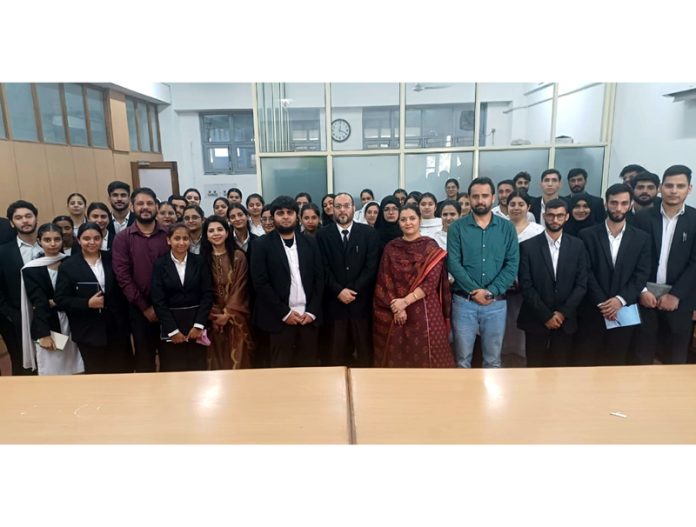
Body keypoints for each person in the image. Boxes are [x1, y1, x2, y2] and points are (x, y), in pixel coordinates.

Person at [574, 184, 651, 366]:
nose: (618, 208)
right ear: (606, 204)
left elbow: (641, 274)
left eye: (624, 203)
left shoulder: (642, 238)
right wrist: (603, 302)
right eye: (614, 203)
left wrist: (620, 300)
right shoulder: (586, 235)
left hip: (624, 311)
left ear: (631, 205)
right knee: (585, 362)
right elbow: (585, 271)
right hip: (592, 310)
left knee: (616, 363)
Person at [448, 177, 519, 368]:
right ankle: (463, 398)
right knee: (462, 359)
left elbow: (512, 264)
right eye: (476, 196)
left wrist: (491, 291)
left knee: (493, 360)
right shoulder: (457, 228)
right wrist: (474, 290)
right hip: (464, 302)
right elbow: (453, 263)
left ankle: (490, 399)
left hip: (496, 303)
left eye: (485, 196)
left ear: (493, 198)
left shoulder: (507, 228)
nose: (480, 200)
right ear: (469, 198)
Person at [373, 204, 454, 368]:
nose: (408, 223)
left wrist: (404, 302)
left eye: (412, 218)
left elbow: (430, 282)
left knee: (429, 357)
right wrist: (398, 306)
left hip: (425, 310)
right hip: (395, 311)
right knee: (399, 358)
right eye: (403, 219)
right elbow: (384, 280)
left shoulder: (431, 247)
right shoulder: (391, 248)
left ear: (420, 220)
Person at [250, 196, 324, 367]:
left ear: (296, 216)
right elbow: (260, 283)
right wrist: (285, 313)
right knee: (281, 372)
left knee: (308, 370)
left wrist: (312, 311)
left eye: (289, 212)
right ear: (273, 217)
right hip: (279, 319)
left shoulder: (310, 242)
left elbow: (320, 278)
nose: (285, 216)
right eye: (280, 213)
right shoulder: (261, 245)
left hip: (308, 319)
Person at [633, 165, 696, 365]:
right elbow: (631, 259)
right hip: (645, 298)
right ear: (660, 188)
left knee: (675, 359)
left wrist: (676, 294)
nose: (674, 190)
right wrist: (642, 290)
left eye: (680, 186)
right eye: (669, 185)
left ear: (690, 188)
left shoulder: (695, 219)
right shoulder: (641, 218)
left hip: (680, 300)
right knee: (642, 355)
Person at [517, 199, 588, 367]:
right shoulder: (528, 246)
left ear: (567, 217)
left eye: (560, 216)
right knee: (534, 368)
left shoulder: (577, 245)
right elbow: (526, 285)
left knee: (560, 368)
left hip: (566, 320)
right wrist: (546, 315)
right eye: (551, 215)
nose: (555, 220)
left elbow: (581, 283)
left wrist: (562, 313)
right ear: (544, 216)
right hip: (536, 318)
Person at [55, 222, 132, 374]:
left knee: (123, 370)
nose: (92, 242)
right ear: (79, 240)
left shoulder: (112, 258)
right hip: (88, 330)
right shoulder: (68, 265)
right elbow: (61, 299)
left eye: (97, 238)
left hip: (117, 327)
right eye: (86, 238)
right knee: (96, 373)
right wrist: (86, 303)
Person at [316, 193, 379, 367]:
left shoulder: (369, 233)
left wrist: (352, 290)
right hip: (334, 304)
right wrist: (338, 291)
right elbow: (322, 267)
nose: (342, 210)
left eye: (346, 206)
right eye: (338, 206)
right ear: (332, 210)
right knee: (335, 355)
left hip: (361, 303)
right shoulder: (322, 235)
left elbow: (371, 267)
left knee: (364, 354)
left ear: (354, 208)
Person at [112, 187, 169, 373]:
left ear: (157, 206)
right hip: (139, 310)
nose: (145, 207)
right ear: (132, 207)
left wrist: (162, 307)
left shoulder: (168, 235)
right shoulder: (122, 238)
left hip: (169, 308)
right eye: (140, 203)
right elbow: (123, 276)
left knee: (172, 359)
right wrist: (145, 307)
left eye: (149, 203)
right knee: (145, 361)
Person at [20, 223, 84, 375]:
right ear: (39, 241)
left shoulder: (71, 262)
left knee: (76, 366)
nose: (53, 243)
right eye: (47, 240)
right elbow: (39, 302)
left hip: (73, 320)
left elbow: (78, 293)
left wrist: (56, 301)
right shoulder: (31, 269)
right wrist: (44, 333)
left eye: (57, 239)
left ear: (63, 240)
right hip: (48, 322)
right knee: (51, 368)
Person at [151, 223, 213, 372]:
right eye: (177, 238)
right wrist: (172, 330)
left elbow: (207, 294)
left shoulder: (199, 261)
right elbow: (158, 300)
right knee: (173, 370)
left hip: (195, 328)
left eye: (185, 238)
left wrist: (199, 325)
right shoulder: (160, 264)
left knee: (197, 370)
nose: (181, 242)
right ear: (168, 240)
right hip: (172, 328)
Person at [201, 216, 255, 369]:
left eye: (220, 229)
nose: (216, 233)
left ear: (227, 233)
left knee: (237, 360)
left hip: (236, 318)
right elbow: (202, 291)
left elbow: (241, 287)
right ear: (206, 235)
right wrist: (214, 314)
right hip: (212, 320)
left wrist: (227, 314)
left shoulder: (238, 257)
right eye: (211, 230)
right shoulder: (201, 260)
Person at [500, 191, 545, 360]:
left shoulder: (538, 230)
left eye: (521, 204)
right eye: (512, 204)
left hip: (530, 287)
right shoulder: (500, 228)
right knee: (505, 323)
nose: (516, 208)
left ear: (529, 207)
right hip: (503, 286)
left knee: (524, 324)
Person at [0, 200, 41, 375]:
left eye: (28, 216)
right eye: (18, 218)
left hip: (51, 315)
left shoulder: (51, 245)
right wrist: (11, 314)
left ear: (36, 218)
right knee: (21, 364)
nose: (24, 221)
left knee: (54, 359)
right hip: (16, 318)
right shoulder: (2, 252)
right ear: (11, 223)